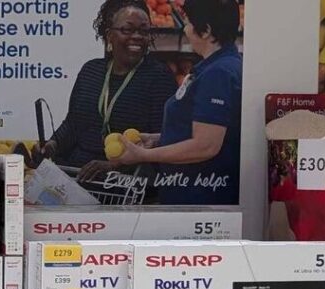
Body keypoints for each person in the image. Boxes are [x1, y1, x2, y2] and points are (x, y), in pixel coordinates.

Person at [33, 0, 176, 185]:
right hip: (75, 176)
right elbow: (73, 124)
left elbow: (164, 140)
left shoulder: (159, 77)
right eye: (127, 29)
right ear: (109, 36)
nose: (137, 36)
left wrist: (114, 166)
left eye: (144, 31)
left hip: (125, 185)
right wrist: (52, 145)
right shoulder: (90, 71)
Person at [115, 0, 243, 205]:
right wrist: (158, 139)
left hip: (200, 197)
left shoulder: (218, 74)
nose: (185, 29)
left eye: (189, 23)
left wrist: (144, 155)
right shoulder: (215, 67)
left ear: (206, 30)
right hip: (192, 194)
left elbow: (205, 145)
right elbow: (208, 129)